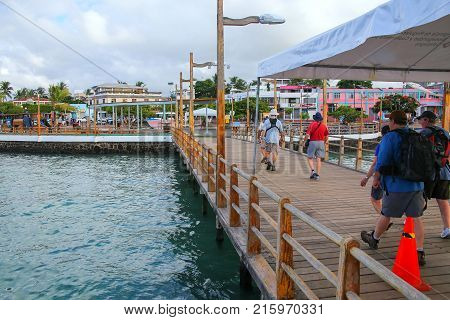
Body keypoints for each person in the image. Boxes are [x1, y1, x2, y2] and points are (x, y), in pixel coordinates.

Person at [361, 111, 427, 265]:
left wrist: (375, 179)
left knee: (386, 214)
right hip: (417, 184)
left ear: (392, 120)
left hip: (397, 184)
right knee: (416, 218)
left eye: (388, 120)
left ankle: (374, 239)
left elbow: (381, 163)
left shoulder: (390, 137)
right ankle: (420, 251)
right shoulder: (416, 135)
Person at [417, 111, 450, 239]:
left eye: (421, 120)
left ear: (426, 120)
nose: (420, 122)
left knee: (420, 198)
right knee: (443, 200)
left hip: (428, 173)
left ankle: (414, 222)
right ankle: (447, 228)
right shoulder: (446, 133)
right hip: (444, 171)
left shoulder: (423, 133)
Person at [361, 125, 391, 215]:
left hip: (382, 174)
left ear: (382, 134)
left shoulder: (381, 145)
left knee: (375, 199)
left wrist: (367, 178)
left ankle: (384, 218)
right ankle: (410, 219)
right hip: (396, 174)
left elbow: (375, 163)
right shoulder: (397, 143)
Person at [304, 112, 329, 180]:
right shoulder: (324, 126)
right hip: (321, 142)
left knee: (310, 157)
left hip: (313, 142)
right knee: (319, 159)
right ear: (320, 119)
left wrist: (304, 141)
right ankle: (317, 175)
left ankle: (313, 171)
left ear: (315, 119)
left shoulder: (312, 125)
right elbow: (326, 136)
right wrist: (324, 142)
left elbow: (307, 135)